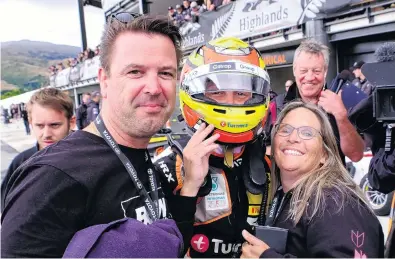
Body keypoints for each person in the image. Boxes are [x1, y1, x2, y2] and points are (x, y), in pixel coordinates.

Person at [1, 14, 190, 258]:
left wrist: (191, 187)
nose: (154, 87)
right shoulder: (52, 176)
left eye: (165, 73)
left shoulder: (144, 155)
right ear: (104, 80)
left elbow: (171, 244)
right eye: (135, 71)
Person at [154, 37, 272, 257]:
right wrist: (189, 188)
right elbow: (161, 249)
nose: (231, 102)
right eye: (217, 92)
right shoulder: (168, 167)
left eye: (241, 93)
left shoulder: (269, 164)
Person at [240, 101, 384, 258]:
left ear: (324, 154)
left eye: (307, 133)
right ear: (273, 144)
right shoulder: (284, 195)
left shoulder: (335, 203)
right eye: (285, 130)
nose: (293, 138)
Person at [268, 39, 364, 163]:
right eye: (303, 71)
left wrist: (341, 116)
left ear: (325, 71)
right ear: (294, 70)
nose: (309, 77)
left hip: (331, 181)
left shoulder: (341, 102)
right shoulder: (277, 105)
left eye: (316, 71)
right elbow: (265, 150)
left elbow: (356, 155)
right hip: (290, 182)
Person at [1, 88, 76, 212]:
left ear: (71, 122)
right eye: (39, 126)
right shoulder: (21, 163)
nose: (46, 134)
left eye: (54, 125)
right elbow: (6, 206)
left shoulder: (89, 159)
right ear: (30, 123)